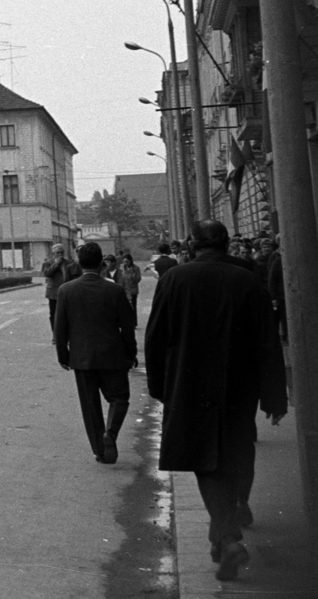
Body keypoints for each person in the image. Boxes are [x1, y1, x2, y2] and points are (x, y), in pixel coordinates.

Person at [145, 220, 286, 582]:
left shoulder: (174, 279)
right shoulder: (246, 279)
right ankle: (227, 527)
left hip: (189, 384)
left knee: (204, 460)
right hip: (239, 385)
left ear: (193, 244)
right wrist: (274, 396)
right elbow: (267, 340)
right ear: (225, 243)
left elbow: (156, 337)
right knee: (237, 448)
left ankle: (225, 537)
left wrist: (161, 387)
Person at [54, 242, 137, 464]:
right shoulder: (115, 290)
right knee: (119, 398)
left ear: (79, 264)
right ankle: (110, 432)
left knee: (90, 407)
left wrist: (63, 356)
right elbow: (127, 327)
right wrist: (131, 354)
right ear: (102, 264)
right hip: (113, 355)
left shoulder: (66, 290)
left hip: (82, 358)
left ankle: (101, 451)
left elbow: (60, 328)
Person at [40, 243, 75, 331]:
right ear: (53, 254)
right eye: (57, 253)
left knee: (67, 314)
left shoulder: (69, 263)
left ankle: (66, 334)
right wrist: (56, 264)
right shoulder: (47, 263)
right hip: (53, 293)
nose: (60, 255)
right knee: (54, 314)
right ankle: (55, 335)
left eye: (62, 252)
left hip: (67, 292)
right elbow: (47, 273)